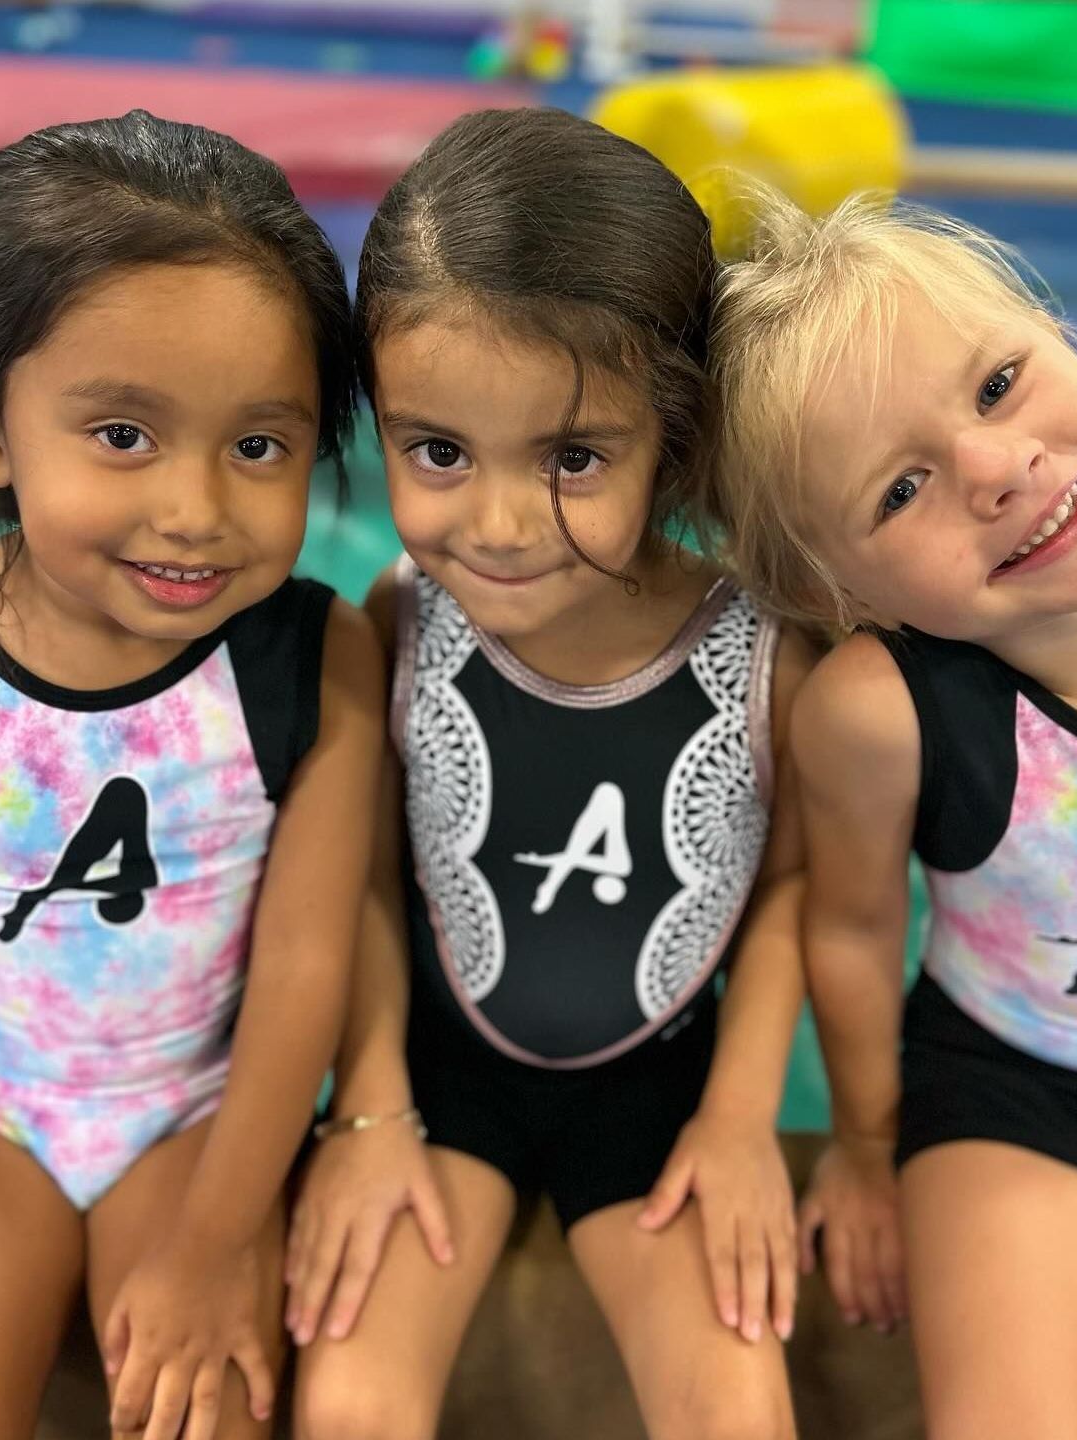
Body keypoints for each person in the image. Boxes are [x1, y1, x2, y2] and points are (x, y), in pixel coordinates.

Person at [705, 188, 1077, 1438]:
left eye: (996, 385)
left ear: (1059, 331)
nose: (997, 471)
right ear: (835, 588)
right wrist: (872, 1148)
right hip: (996, 1089)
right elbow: (855, 928)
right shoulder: (880, 714)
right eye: (899, 491)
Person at [285, 107, 813, 1440]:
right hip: (441, 1076)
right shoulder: (393, 623)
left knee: (737, 1413)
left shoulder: (763, 659)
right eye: (438, 452)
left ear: (672, 436)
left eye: (574, 458)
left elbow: (804, 887)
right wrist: (372, 1106)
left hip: (658, 1089)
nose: (503, 524)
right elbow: (358, 883)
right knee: (348, 1407)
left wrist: (748, 1117)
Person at [0, 110, 382, 1440]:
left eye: (260, 446)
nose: (196, 508)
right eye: (122, 435)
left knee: (193, 1412)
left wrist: (221, 1237)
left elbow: (301, 974)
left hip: (197, 1115)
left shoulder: (310, 659)